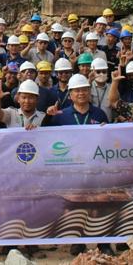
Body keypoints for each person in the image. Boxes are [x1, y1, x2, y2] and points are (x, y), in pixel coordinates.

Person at [44, 73, 109, 255]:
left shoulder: (99, 114)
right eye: (77, 90)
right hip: (71, 171)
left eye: (84, 90)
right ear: (71, 94)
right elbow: (44, 138)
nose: (81, 93)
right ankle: (78, 241)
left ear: (90, 92)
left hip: (96, 169)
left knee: (98, 207)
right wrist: (47, 118)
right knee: (76, 207)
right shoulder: (60, 115)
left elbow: (109, 140)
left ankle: (103, 243)